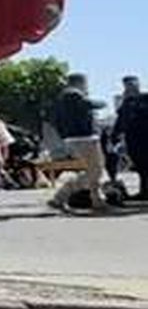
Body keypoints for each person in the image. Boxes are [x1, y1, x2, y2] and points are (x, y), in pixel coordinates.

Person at [50, 73, 107, 212]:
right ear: (80, 82)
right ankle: (61, 196)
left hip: (76, 137)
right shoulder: (73, 94)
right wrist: (103, 103)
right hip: (84, 137)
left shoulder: (62, 98)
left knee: (93, 169)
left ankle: (97, 200)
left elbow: (55, 120)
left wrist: (64, 135)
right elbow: (90, 104)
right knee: (96, 170)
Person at [113, 76, 148, 200]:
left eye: (132, 84)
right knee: (141, 167)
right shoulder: (126, 103)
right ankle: (144, 192)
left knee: (145, 166)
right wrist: (115, 137)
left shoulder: (145, 98)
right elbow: (121, 121)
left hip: (145, 137)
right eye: (127, 85)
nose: (129, 87)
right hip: (133, 140)